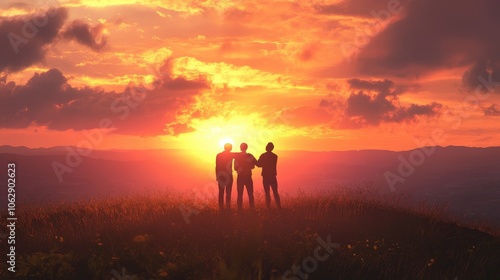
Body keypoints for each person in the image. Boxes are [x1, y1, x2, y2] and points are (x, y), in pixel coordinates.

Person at [256, 142, 281, 209]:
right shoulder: (275, 156)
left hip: (265, 176)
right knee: (275, 192)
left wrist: (253, 161)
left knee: (267, 193)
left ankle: (269, 208)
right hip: (273, 176)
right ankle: (279, 207)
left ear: (266, 147)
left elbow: (259, 165)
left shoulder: (263, 155)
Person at [234, 143, 258, 209]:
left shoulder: (237, 156)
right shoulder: (250, 156)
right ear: (246, 148)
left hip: (240, 177)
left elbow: (235, 168)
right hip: (248, 176)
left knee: (240, 194)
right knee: (250, 193)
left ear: (240, 148)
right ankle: (252, 208)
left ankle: (239, 209)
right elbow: (257, 164)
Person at [215, 143, 234, 210]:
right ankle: (228, 207)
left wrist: (217, 175)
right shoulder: (231, 155)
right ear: (230, 148)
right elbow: (239, 155)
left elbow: (217, 166)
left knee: (221, 192)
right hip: (228, 175)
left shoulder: (219, 155)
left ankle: (221, 207)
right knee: (228, 192)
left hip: (221, 175)